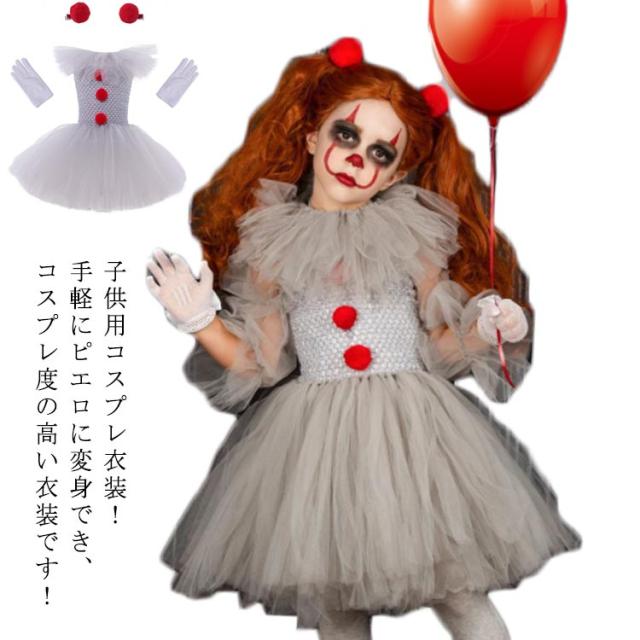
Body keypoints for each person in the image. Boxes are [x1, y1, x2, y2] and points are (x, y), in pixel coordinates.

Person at [146, 37, 581, 640]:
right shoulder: (271, 243)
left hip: (414, 434)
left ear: (396, 172)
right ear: (311, 138)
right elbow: (260, 364)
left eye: (380, 151)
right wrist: (201, 322)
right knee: (338, 605)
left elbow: (438, 346)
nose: (356, 158)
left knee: (459, 593)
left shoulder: (409, 231)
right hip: (316, 443)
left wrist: (485, 328)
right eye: (345, 135)